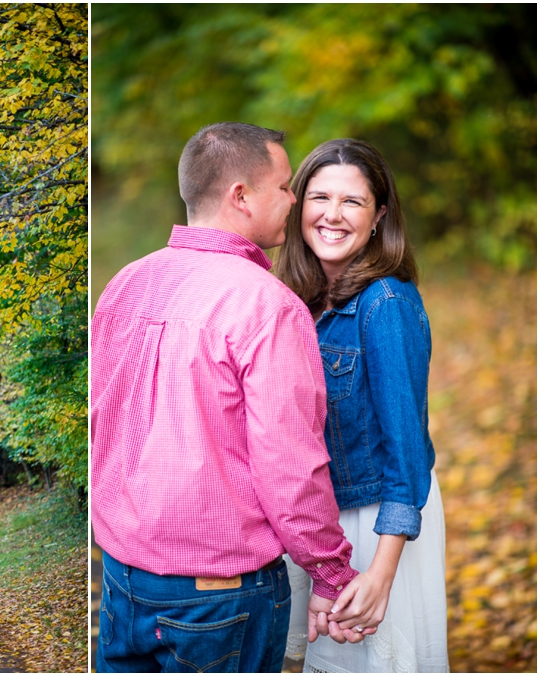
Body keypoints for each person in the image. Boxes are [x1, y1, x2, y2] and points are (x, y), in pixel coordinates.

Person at [91, 122, 370, 674]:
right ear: (240, 197)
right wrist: (333, 574)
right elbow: (290, 468)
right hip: (220, 597)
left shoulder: (124, 284)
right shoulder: (269, 306)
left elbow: (102, 425)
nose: (296, 199)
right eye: (286, 186)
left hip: (123, 580)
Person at [274, 138, 449, 672]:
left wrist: (380, 575)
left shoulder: (385, 303)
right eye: (319, 197)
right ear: (297, 203)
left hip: (379, 524)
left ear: (378, 217)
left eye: (352, 202)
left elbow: (408, 452)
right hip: (320, 521)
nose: (332, 215)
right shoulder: (296, 299)